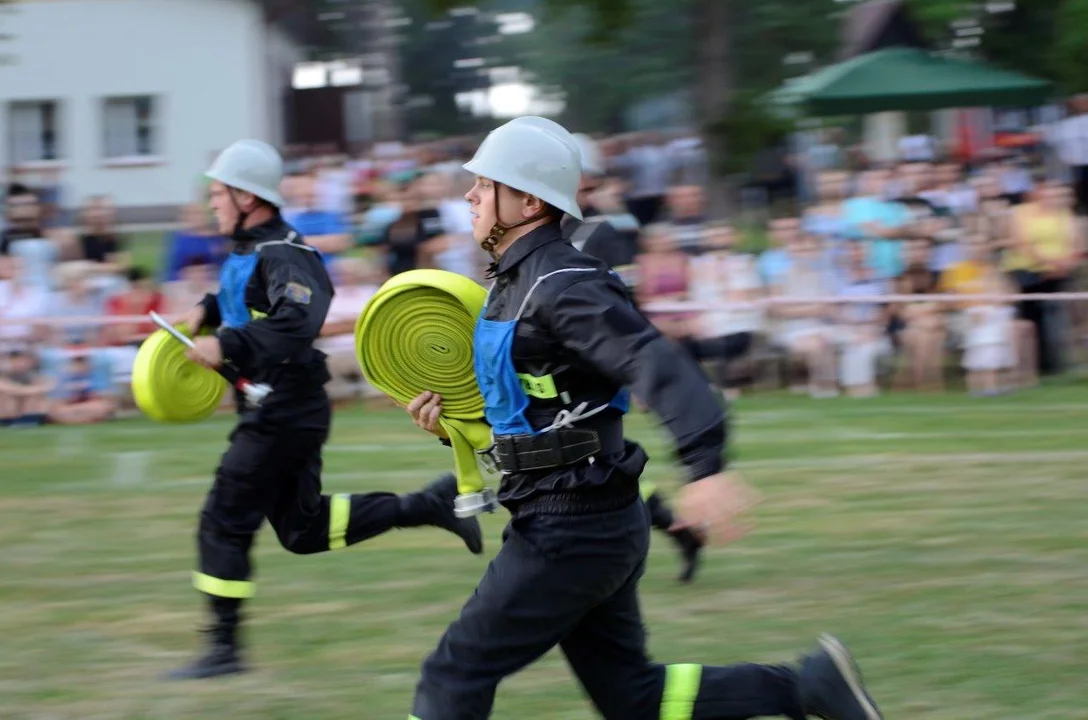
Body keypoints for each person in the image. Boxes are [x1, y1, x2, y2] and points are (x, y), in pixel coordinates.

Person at [403, 117, 883, 720]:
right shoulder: (513, 283)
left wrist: (705, 464)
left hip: (571, 527)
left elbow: (652, 360)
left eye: (484, 183)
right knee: (633, 698)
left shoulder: (564, 283)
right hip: (584, 517)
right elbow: (533, 405)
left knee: (452, 677)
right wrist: (455, 425)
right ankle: (809, 687)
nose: (469, 195)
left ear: (527, 200)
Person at [167, 139, 484, 680]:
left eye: (219, 193)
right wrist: (206, 310)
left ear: (248, 197)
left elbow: (298, 321)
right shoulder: (249, 250)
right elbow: (246, 298)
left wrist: (230, 345)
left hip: (285, 409)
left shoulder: (288, 254)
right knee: (303, 529)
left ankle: (223, 649)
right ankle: (428, 504)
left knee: (223, 519)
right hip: (276, 407)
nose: (212, 203)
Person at [564, 129, 705, 583]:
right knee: (591, 467)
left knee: (584, 465)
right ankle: (674, 528)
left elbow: (625, 305)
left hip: (590, 367)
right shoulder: (541, 231)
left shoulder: (605, 232)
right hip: (554, 366)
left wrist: (637, 370)